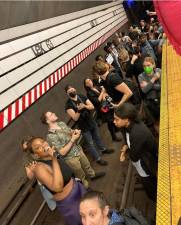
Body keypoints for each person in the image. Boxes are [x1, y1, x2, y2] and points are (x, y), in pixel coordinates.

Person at [24, 137, 86, 225]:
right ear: (37, 155)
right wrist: (53, 159)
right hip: (70, 203)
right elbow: (57, 188)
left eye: (43, 142)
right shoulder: (39, 167)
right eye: (38, 147)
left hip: (79, 190)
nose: (43, 145)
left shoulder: (53, 154)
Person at [40, 111, 105, 188]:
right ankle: (85, 187)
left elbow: (69, 131)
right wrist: (72, 139)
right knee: (80, 174)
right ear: (47, 121)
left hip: (78, 149)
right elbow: (62, 152)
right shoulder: (50, 136)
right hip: (70, 158)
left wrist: (74, 131)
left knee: (87, 164)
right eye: (51, 114)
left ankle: (92, 175)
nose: (54, 113)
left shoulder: (61, 123)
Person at [113, 103, 158, 201]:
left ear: (127, 119)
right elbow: (128, 141)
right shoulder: (126, 127)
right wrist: (126, 147)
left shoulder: (138, 133)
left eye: (117, 119)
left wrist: (126, 152)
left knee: (151, 187)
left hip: (147, 164)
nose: (114, 122)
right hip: (142, 161)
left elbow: (134, 157)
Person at [65, 85, 114, 166]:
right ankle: (98, 159)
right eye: (69, 90)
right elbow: (75, 118)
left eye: (72, 89)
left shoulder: (81, 96)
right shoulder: (68, 105)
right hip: (83, 126)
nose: (72, 91)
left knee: (97, 136)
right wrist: (79, 110)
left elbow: (91, 106)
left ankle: (103, 149)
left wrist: (84, 106)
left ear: (75, 89)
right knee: (90, 143)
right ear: (67, 93)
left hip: (90, 121)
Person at [138, 56, 161, 121]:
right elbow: (144, 90)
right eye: (144, 66)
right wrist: (153, 79)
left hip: (161, 99)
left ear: (153, 65)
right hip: (151, 103)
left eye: (148, 65)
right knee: (156, 121)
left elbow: (162, 86)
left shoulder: (158, 71)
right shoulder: (141, 76)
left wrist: (148, 85)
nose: (146, 68)